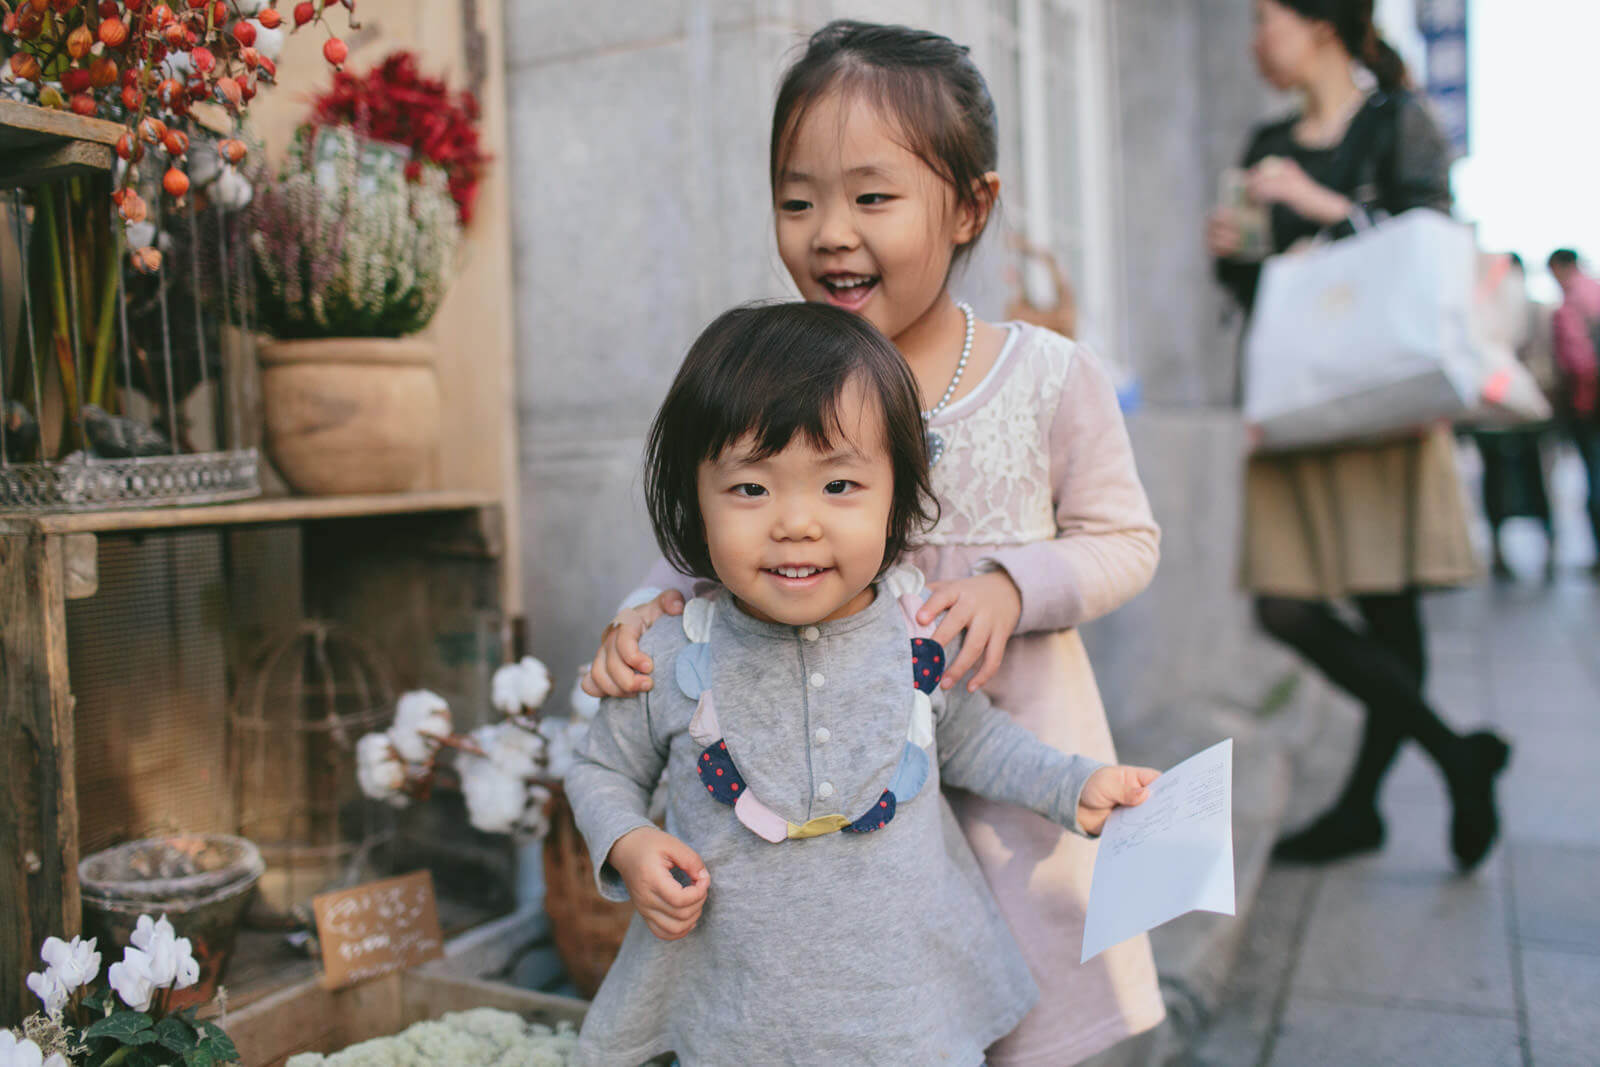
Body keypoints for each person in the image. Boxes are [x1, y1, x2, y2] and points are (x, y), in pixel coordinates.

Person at [582, 21, 1168, 1064]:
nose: (829, 232)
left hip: (1004, 747)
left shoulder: (1043, 374)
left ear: (969, 206)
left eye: (872, 197)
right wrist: (638, 619)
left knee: (1015, 1000)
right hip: (835, 788)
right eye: (797, 199)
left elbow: (1124, 538)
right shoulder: (776, 375)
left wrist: (1010, 585)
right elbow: (713, 531)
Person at [1207, 0, 1510, 871]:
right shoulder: (1265, 137)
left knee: (1389, 605)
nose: (1258, 38)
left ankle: (1361, 809)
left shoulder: (1396, 119)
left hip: (1380, 396)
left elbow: (1434, 245)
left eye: (1267, 17)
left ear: (1321, 24)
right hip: (1297, 399)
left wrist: (1322, 203)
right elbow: (1249, 281)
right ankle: (1457, 754)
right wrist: (1233, 246)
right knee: (1284, 604)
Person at [1474, 253, 1555, 580]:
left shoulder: (1484, 307)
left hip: (1495, 410)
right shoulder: (1531, 308)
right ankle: (1546, 547)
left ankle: (1500, 549)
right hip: (1525, 408)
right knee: (1535, 480)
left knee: (1497, 480)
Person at [1547, 248, 1600, 571]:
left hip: (1590, 404)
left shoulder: (1568, 307)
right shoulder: (1597, 290)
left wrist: (1579, 403)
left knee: (1595, 474)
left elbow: (1579, 363)